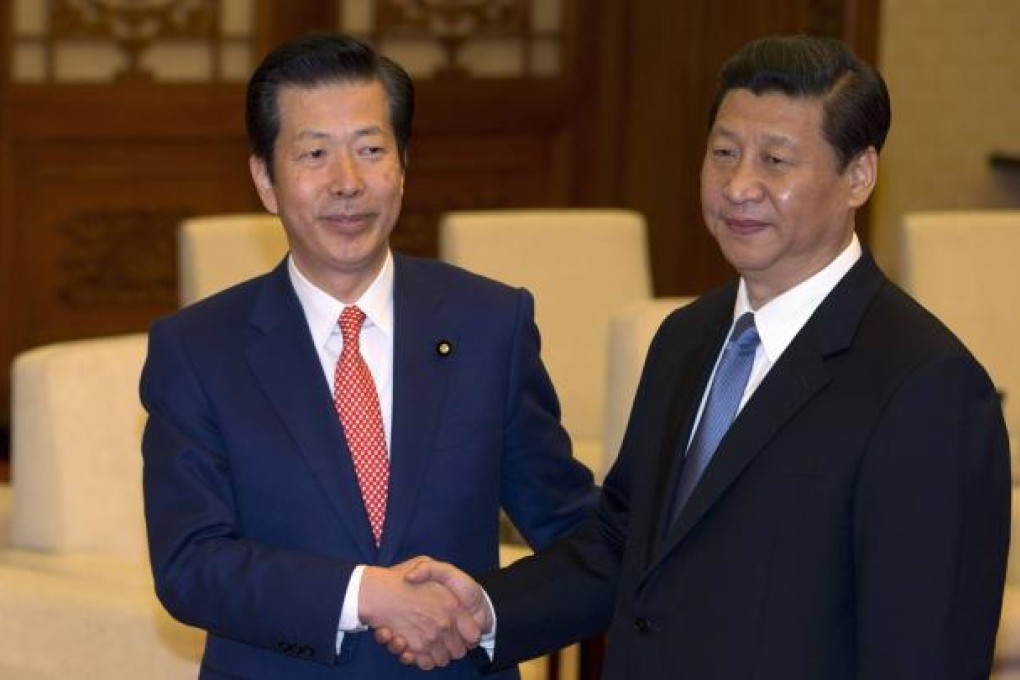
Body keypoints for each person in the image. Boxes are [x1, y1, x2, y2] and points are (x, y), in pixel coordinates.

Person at [387, 34, 1012, 678]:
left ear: (858, 176)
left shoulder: (925, 384)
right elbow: (626, 544)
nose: (740, 185)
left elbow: (923, 655)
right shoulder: (687, 336)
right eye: (724, 153)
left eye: (775, 160)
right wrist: (484, 609)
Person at [139, 33, 596, 678]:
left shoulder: (491, 323)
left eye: (371, 150)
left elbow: (574, 533)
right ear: (266, 180)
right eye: (315, 154)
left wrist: (486, 615)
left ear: (402, 168)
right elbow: (190, 564)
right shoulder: (198, 349)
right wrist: (364, 595)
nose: (347, 183)